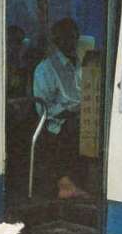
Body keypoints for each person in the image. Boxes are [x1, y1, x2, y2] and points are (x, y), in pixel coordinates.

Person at [33, 17, 88, 199]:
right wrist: (70, 109)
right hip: (56, 123)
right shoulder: (46, 68)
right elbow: (43, 109)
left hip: (81, 114)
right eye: (67, 37)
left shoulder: (81, 63)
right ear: (57, 41)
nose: (72, 41)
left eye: (74, 37)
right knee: (75, 129)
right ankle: (66, 184)